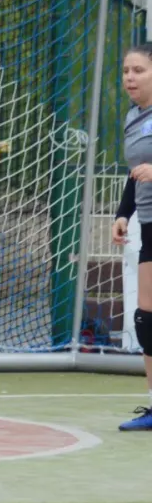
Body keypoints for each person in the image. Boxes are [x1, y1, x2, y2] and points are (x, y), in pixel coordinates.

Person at [109, 43, 152, 431]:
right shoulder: (134, 117)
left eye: (138, 70)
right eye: (126, 70)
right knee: (147, 316)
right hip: (150, 223)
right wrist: (124, 213)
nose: (129, 78)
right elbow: (135, 171)